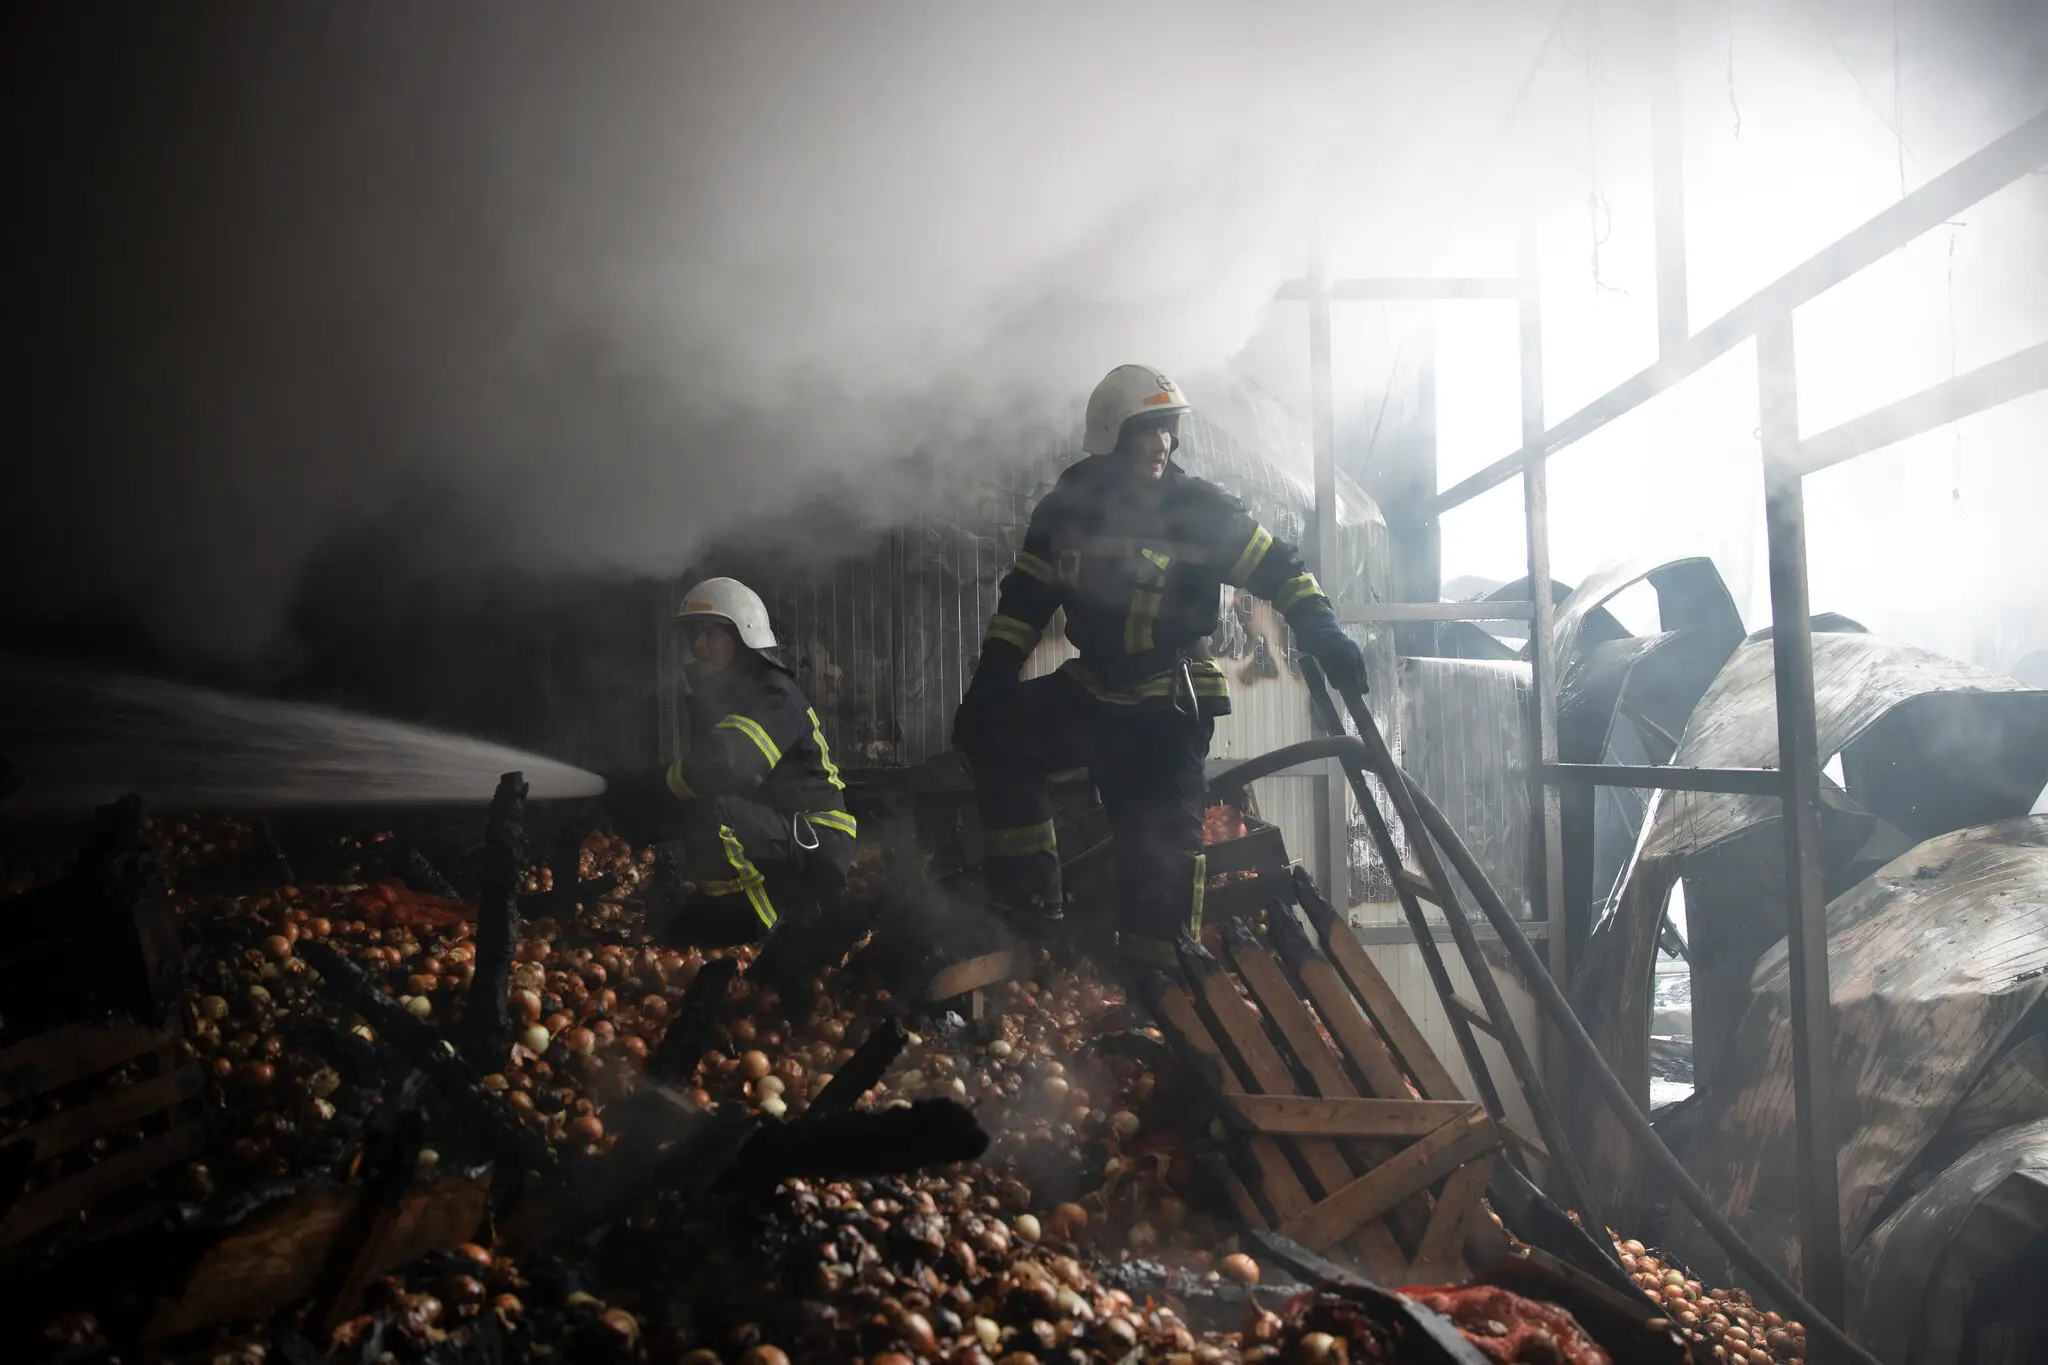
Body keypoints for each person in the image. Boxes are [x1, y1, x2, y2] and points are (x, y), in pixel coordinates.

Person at [952, 364, 1368, 972]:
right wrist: (990, 684)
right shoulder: (1067, 511)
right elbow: (1023, 605)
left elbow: (1282, 570)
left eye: (1169, 431)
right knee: (997, 737)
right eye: (1147, 430)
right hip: (1093, 691)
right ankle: (1033, 909)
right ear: (1111, 436)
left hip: (1167, 703)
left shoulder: (1200, 511)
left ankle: (1159, 987)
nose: (1162, 444)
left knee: (1163, 863)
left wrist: (1322, 630)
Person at [603, 577, 857, 964]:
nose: (699, 645)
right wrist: (643, 811)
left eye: (712, 633)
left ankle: (759, 926)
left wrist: (650, 787)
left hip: (817, 835)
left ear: (744, 636)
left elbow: (721, 767)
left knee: (706, 812)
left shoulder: (775, 695)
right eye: (693, 636)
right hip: (777, 828)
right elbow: (700, 782)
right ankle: (733, 912)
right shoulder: (728, 697)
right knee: (679, 938)